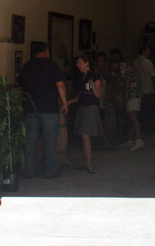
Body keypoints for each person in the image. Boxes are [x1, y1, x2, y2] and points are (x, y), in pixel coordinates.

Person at [19, 41, 69, 179]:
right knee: (50, 141)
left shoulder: (26, 66)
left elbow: (22, 85)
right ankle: (51, 171)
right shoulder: (52, 65)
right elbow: (60, 85)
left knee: (30, 142)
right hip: (49, 109)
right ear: (47, 52)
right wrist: (64, 103)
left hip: (30, 109)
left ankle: (29, 171)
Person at [68, 53, 102, 173]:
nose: (78, 65)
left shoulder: (94, 76)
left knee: (85, 135)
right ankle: (87, 162)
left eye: (80, 63)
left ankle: (89, 165)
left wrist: (93, 86)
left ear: (87, 63)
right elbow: (80, 95)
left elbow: (98, 94)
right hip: (82, 107)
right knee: (83, 136)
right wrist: (71, 101)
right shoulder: (81, 77)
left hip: (90, 107)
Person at [110, 48, 145, 151]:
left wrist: (125, 95)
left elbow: (127, 81)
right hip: (131, 93)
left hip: (133, 94)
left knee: (133, 115)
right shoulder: (120, 69)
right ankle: (131, 139)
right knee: (130, 116)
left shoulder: (122, 67)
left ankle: (139, 139)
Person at [132, 45, 155, 131]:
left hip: (137, 89)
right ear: (143, 51)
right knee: (147, 111)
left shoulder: (135, 62)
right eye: (148, 51)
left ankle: (140, 128)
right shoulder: (147, 62)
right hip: (147, 89)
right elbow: (153, 75)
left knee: (139, 111)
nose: (149, 53)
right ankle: (146, 128)